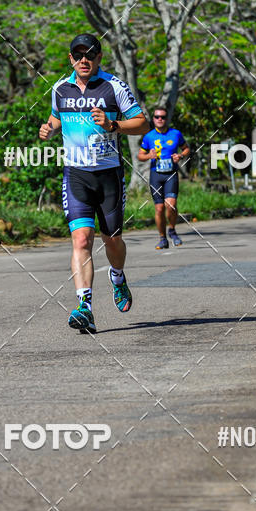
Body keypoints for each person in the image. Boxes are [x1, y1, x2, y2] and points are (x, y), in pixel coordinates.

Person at [39, 33, 149, 334]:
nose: (83, 60)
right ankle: (84, 305)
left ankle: (117, 275)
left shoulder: (114, 87)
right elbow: (57, 116)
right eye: (78, 55)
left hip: (108, 175)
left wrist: (113, 124)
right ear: (70, 58)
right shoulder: (60, 88)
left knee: (111, 239)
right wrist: (49, 127)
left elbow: (142, 123)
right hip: (76, 175)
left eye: (90, 54)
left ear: (99, 57)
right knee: (81, 239)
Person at [137, 107, 190, 249]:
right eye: (157, 117)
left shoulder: (175, 134)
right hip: (156, 175)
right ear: (153, 119)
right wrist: (149, 156)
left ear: (167, 119)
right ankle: (162, 238)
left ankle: (172, 229)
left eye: (163, 117)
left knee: (171, 204)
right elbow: (140, 156)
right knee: (159, 208)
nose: (160, 119)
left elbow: (186, 148)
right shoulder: (149, 136)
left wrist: (181, 156)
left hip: (171, 174)